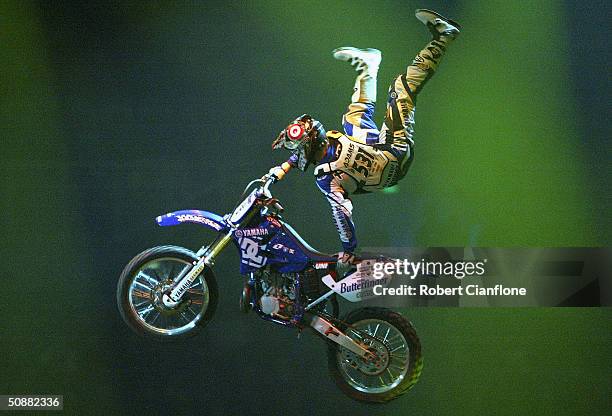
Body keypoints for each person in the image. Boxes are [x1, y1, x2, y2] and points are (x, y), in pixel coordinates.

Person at [271, 9, 461, 266]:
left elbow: (336, 202)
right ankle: (444, 36)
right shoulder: (327, 175)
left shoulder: (327, 155)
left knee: (354, 116)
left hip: (378, 151)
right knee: (400, 90)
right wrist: (349, 247)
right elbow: (341, 212)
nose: (323, 135)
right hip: (393, 156)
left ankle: (368, 66)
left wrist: (283, 168)